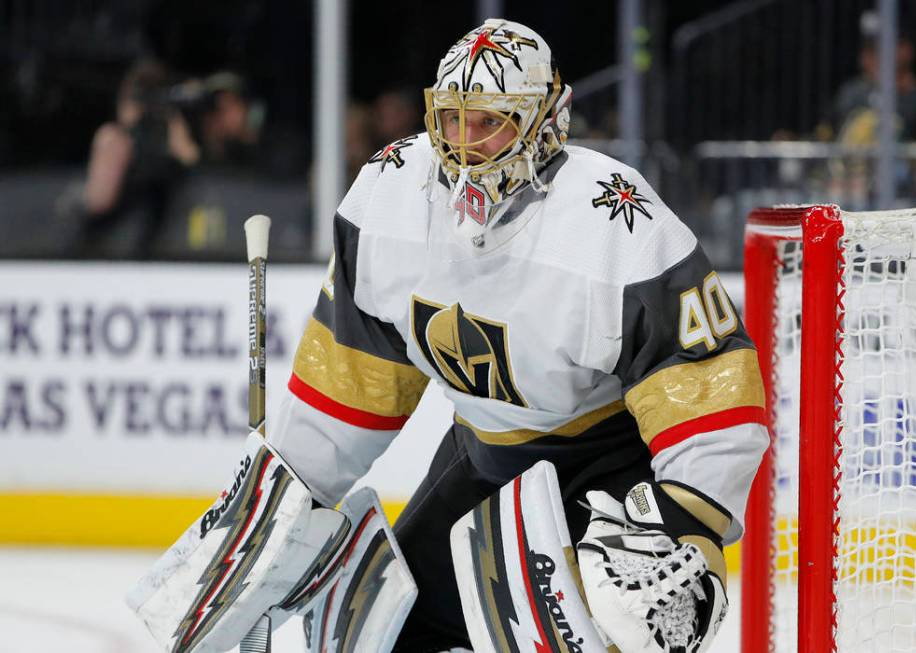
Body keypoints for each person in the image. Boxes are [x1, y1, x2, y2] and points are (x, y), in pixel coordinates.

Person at [267, 18, 768, 652]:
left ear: (543, 123)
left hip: (613, 471)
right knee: (386, 635)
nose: (464, 144)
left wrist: (685, 519)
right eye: (451, 119)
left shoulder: (614, 217)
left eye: (490, 122)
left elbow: (708, 387)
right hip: (486, 459)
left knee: (617, 624)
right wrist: (282, 503)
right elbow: (349, 383)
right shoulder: (390, 192)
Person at [78, 58, 199, 258]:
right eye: (135, 97)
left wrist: (176, 137)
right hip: (108, 252)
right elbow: (98, 203)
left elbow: (199, 179)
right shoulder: (114, 140)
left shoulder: (171, 138)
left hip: (163, 251)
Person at [830, 11, 916, 145]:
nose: (871, 57)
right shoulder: (852, 95)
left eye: (879, 49)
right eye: (869, 49)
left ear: (906, 49)